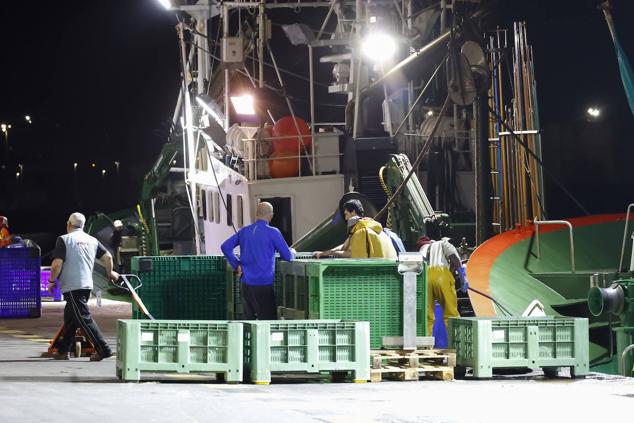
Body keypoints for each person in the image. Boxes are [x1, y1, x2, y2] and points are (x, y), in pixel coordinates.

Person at [47, 212, 119, 361]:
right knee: (71, 319)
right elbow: (108, 257)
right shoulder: (92, 240)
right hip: (86, 286)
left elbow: (56, 265)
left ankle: (103, 349)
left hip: (73, 287)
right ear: (83, 225)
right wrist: (110, 272)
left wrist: (52, 281)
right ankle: (63, 350)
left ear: (69, 224)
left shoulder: (64, 240)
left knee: (83, 318)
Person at [221, 202, 295, 320]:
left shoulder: (244, 231)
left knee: (249, 323)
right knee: (268, 323)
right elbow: (287, 256)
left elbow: (225, 246)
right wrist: (293, 253)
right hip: (263, 285)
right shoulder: (273, 232)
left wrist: (237, 265)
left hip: (245, 284)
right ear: (271, 215)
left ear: (256, 214)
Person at [416, 236, 468, 335]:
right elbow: (453, 257)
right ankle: (456, 342)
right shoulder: (442, 243)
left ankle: (425, 344)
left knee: (427, 316)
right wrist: (462, 276)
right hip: (441, 274)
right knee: (451, 314)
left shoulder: (420, 250)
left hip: (424, 278)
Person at [314, 199, 397, 259]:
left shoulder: (362, 232)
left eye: (346, 214)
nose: (346, 218)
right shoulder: (370, 227)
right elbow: (344, 246)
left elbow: (353, 255)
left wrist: (332, 253)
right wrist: (325, 253)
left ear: (353, 212)